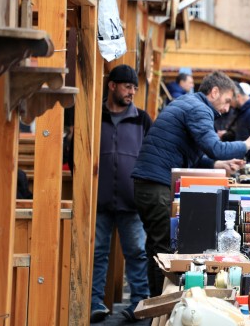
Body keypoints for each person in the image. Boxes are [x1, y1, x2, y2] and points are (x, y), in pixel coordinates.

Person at [131, 71, 250, 296]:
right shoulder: (199, 108)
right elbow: (214, 147)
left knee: (157, 247)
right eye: (225, 101)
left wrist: (219, 165)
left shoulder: (190, 103)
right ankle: (158, 306)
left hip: (150, 183)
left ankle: (155, 303)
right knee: (163, 249)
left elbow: (198, 154)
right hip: (155, 185)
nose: (226, 109)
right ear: (214, 92)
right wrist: (247, 143)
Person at [91, 65, 152, 322]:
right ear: (112, 85)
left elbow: (150, 155)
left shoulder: (142, 118)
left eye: (135, 87)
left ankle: (140, 302)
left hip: (131, 199)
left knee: (137, 252)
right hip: (97, 200)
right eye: (128, 86)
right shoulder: (94, 114)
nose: (132, 92)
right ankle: (94, 303)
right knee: (96, 253)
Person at [221, 82, 250, 163]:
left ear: (238, 97)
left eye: (229, 100)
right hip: (244, 160)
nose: (228, 104)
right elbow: (241, 134)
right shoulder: (242, 112)